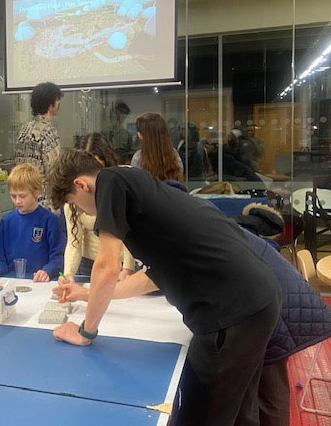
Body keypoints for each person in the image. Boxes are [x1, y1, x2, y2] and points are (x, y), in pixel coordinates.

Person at [55, 190, 331, 426]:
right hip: (264, 296)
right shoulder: (182, 219)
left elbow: (149, 278)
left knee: (267, 395)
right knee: (251, 394)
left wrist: (90, 295)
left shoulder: (171, 229)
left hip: (270, 306)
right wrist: (87, 293)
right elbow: (154, 276)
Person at [47, 150, 281, 426]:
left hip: (232, 311)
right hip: (256, 300)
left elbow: (107, 267)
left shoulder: (109, 181)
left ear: (81, 185)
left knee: (200, 413)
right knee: (239, 410)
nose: (81, 212)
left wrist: (86, 331)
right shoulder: (140, 191)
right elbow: (149, 279)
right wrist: (86, 294)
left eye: (74, 204)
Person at [63, 133, 135, 279]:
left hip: (121, 262)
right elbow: (74, 241)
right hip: (88, 263)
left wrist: (128, 268)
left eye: (96, 168)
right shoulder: (75, 192)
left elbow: (131, 233)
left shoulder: (121, 185)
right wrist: (68, 275)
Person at [0, 163, 64, 282]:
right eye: (13, 196)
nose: (17, 201)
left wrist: (47, 270)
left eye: (22, 196)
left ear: (36, 192)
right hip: (11, 282)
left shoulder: (50, 220)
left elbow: (58, 257)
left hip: (39, 283)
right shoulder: (7, 221)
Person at [15, 81, 62, 211]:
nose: (58, 103)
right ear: (50, 104)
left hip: (23, 198)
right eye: (57, 99)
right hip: (44, 202)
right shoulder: (49, 132)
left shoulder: (23, 130)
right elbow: (54, 171)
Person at [130, 112, 183, 182]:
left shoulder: (138, 158)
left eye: (139, 131)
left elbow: (136, 185)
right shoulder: (174, 155)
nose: (138, 134)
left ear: (143, 135)